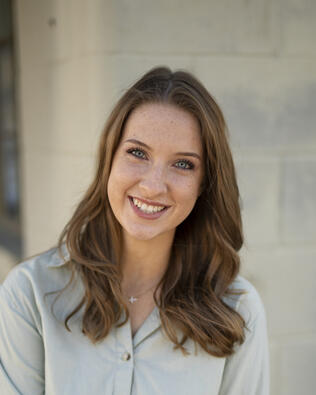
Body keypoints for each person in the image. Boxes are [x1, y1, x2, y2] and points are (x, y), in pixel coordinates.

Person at [0, 66, 269, 394]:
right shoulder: (30, 295)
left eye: (183, 164)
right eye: (137, 153)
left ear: (204, 184)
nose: (154, 186)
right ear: (108, 160)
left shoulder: (237, 310)